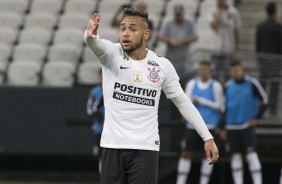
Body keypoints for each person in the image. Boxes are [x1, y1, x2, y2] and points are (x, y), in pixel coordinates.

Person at [84, 8, 219, 184]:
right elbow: (94, 43)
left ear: (146, 34)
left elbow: (183, 103)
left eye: (132, 29)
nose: (125, 33)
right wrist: (89, 34)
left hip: (145, 149)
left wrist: (207, 137)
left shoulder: (162, 66)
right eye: (122, 28)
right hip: (112, 146)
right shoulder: (111, 55)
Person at [176, 61, 224, 184]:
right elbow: (185, 101)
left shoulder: (216, 86)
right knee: (186, 153)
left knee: (207, 156)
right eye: (200, 69)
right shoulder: (192, 84)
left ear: (210, 70)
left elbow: (219, 105)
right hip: (192, 126)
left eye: (205, 69)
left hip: (210, 126)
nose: (202, 72)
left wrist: (202, 101)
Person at [222, 60, 268, 184]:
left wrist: (257, 117)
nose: (235, 73)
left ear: (242, 70)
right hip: (231, 126)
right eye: (233, 71)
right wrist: (223, 128)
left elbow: (265, 100)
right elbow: (223, 108)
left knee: (251, 154)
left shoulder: (252, 83)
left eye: (237, 70)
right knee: (235, 156)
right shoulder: (227, 86)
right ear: (230, 72)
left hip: (246, 125)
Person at [256, 2, 282, 116]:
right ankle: (272, 110)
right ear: (275, 12)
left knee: (263, 86)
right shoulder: (278, 27)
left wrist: (259, 57)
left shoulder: (261, 26)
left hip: (263, 61)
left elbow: (257, 45)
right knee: (274, 85)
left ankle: (261, 109)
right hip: (276, 61)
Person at [158, 4, 198, 79]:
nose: (178, 17)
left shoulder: (189, 23)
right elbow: (160, 36)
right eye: (177, 15)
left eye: (180, 15)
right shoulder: (168, 23)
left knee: (184, 81)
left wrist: (182, 41)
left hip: (185, 60)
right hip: (171, 59)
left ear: (183, 14)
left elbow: (195, 37)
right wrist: (171, 40)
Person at [208, 0, 241, 82]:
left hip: (228, 50)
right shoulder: (212, 11)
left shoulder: (234, 12)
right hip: (216, 49)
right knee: (215, 76)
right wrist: (220, 11)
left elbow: (236, 30)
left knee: (228, 77)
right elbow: (214, 26)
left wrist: (236, 46)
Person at [86, 68, 104, 172]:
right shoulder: (95, 92)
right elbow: (89, 111)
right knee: (101, 155)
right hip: (100, 130)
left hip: (114, 130)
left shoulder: (116, 90)